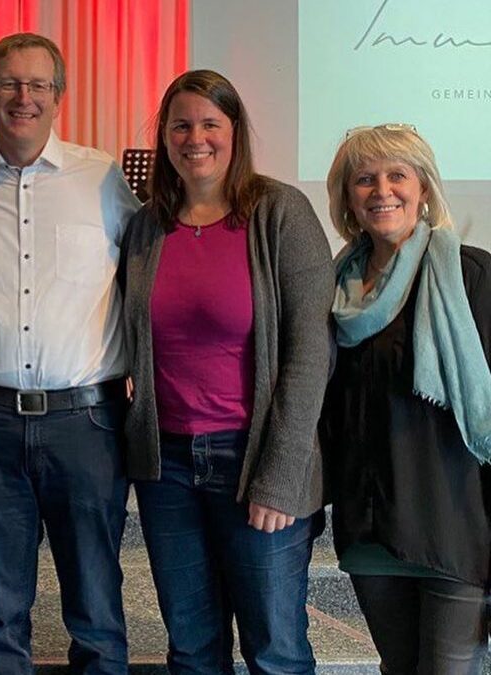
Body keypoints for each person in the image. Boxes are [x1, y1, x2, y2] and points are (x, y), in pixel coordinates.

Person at [0, 33, 140, 674]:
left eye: (39, 85)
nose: (25, 97)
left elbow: (147, 275)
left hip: (87, 424)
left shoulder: (101, 179)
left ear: (59, 96)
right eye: (11, 84)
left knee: (97, 605)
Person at [119, 69, 333, 674]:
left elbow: (309, 353)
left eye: (211, 124)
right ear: (163, 138)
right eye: (181, 125)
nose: (196, 138)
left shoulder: (279, 213)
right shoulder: (146, 227)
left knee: (275, 651)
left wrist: (280, 477)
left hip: (255, 461)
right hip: (169, 472)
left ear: (234, 132)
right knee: (191, 650)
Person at [319, 124, 491, 674]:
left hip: (454, 529)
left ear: (424, 189)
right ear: (347, 197)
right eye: (364, 179)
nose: (381, 190)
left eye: (398, 175)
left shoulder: (471, 275)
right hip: (370, 530)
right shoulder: (332, 289)